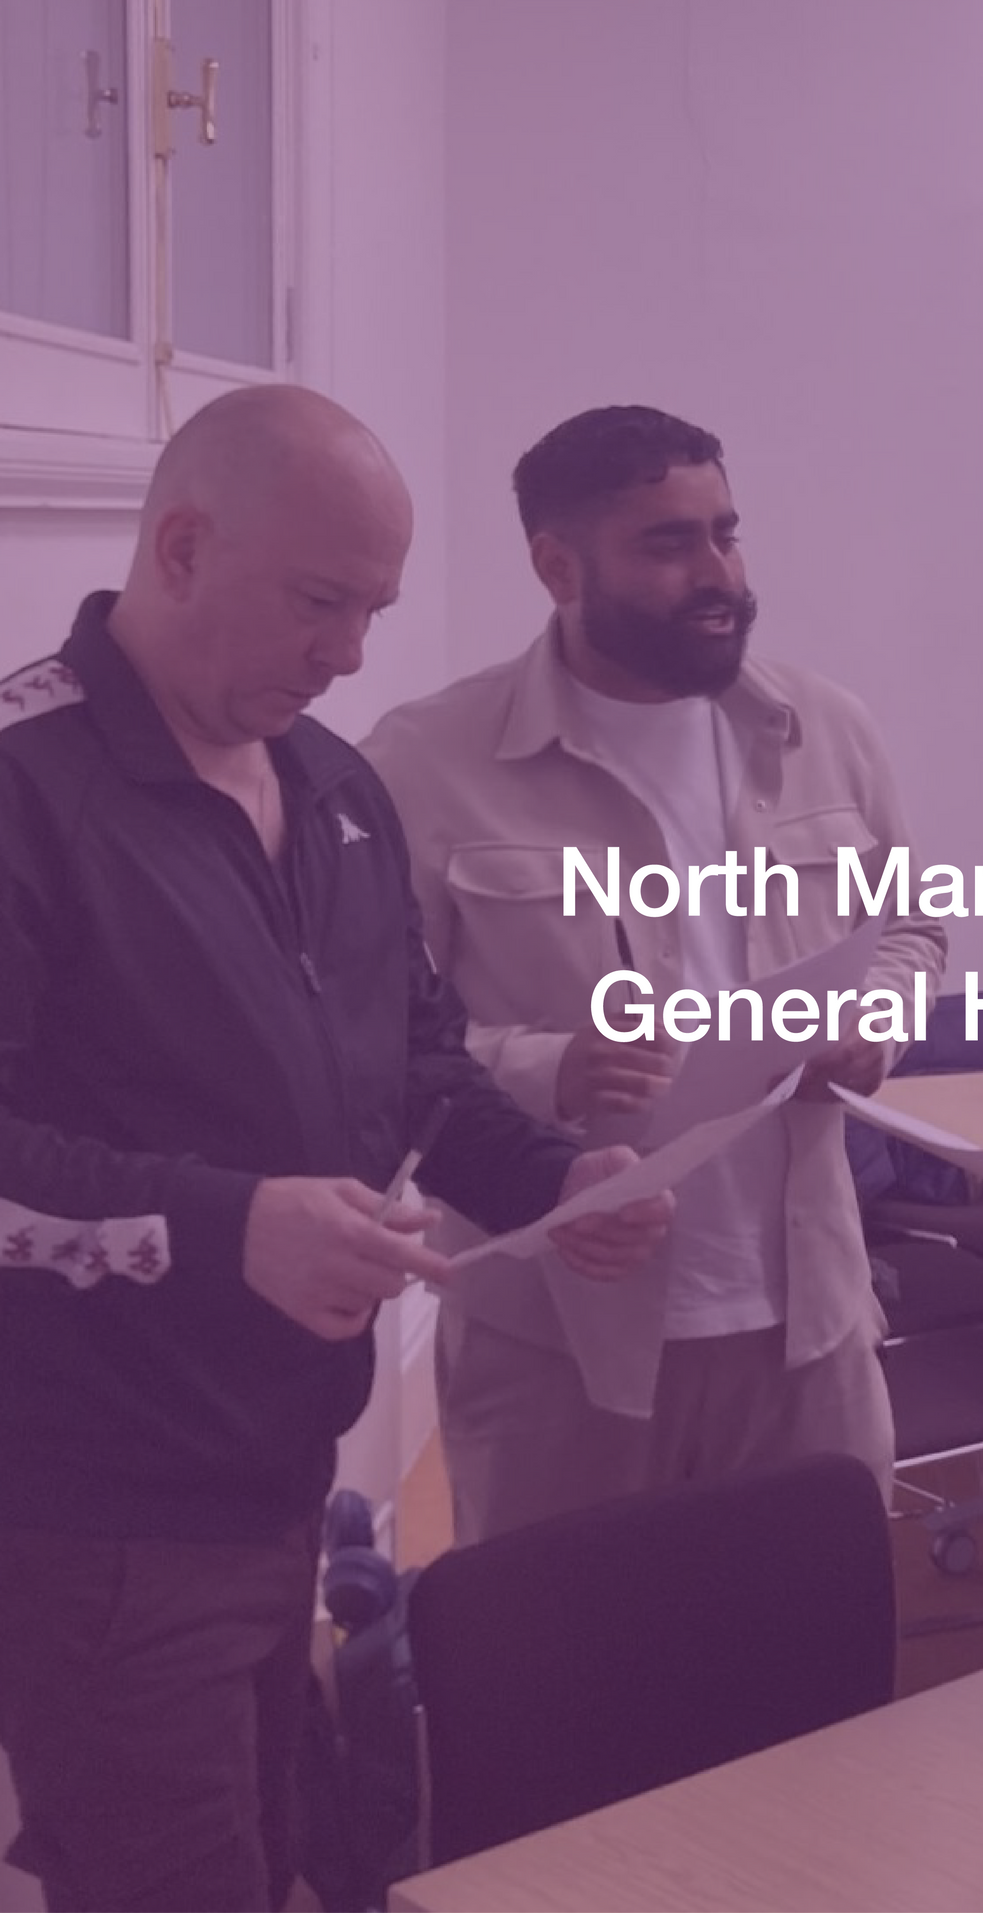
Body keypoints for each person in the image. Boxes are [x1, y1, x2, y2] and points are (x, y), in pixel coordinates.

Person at [0, 385, 673, 1913]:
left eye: (372, 608)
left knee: (302, 1859)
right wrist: (230, 1225)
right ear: (179, 546)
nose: (353, 652)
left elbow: (415, 1072)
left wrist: (550, 1176)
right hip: (100, 1515)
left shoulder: (334, 787)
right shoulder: (25, 789)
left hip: (280, 1476)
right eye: (321, 602)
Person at [361, 404, 947, 1544]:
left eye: (726, 533)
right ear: (555, 565)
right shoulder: (424, 763)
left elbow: (912, 931)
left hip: (807, 1326)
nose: (719, 573)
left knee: (816, 1690)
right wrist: (552, 1071)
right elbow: (368, 1040)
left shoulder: (823, 729)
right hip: (555, 1349)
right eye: (669, 545)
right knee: (569, 1694)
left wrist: (879, 1015)